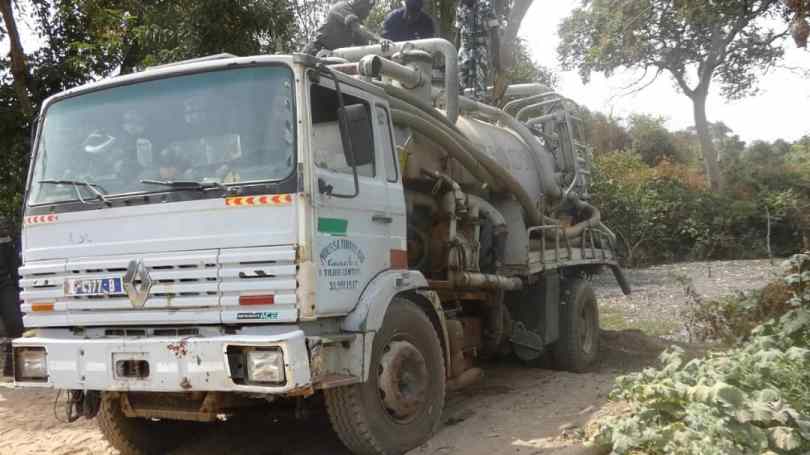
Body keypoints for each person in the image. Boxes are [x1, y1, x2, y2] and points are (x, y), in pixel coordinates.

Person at [456, 0, 501, 101]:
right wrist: (453, 55)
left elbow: (495, 33)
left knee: (480, 89)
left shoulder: (486, 6)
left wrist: (496, 57)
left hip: (480, 49)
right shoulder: (460, 8)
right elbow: (458, 32)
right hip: (464, 50)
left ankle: (480, 109)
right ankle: (456, 111)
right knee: (457, 85)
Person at [303, 0, 382, 55]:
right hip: (315, 51)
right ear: (359, 4)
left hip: (331, 57)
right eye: (367, 8)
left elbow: (365, 49)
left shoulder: (358, 29)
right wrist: (379, 39)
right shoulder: (343, 7)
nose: (368, 12)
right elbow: (357, 28)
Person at [0, 215, 22, 377]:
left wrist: (17, 287)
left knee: (14, 322)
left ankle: (12, 366)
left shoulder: (6, 236)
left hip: (5, 282)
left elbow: (14, 264)